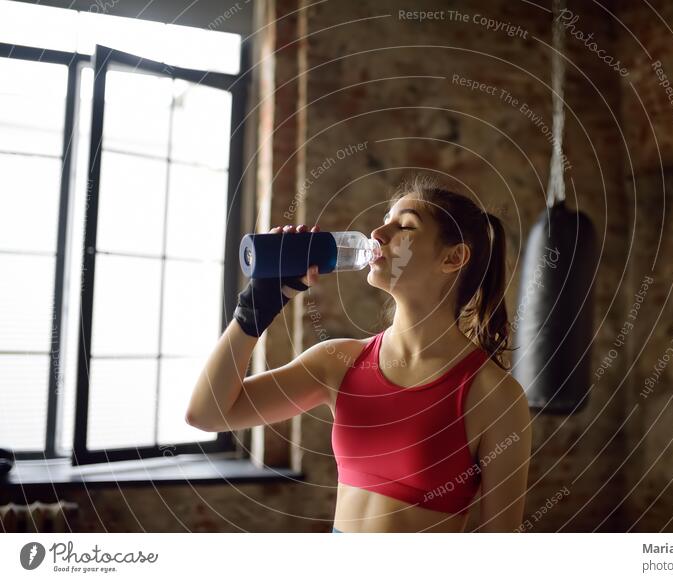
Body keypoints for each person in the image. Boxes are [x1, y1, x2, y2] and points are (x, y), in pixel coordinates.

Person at [185, 175, 532, 533]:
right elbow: (207, 414)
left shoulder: (493, 396)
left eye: (405, 226)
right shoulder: (337, 363)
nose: (378, 234)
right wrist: (253, 311)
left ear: (453, 257)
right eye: (384, 220)